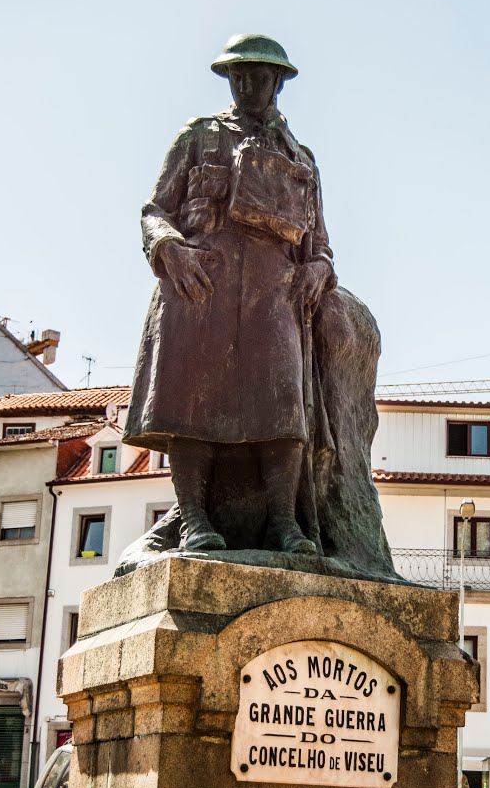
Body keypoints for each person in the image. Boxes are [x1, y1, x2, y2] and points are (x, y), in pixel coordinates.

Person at [123, 34, 337, 554]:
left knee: (284, 407)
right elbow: (155, 209)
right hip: (201, 285)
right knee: (190, 406)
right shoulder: (198, 137)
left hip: (274, 291)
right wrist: (169, 247)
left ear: (279, 83)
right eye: (237, 76)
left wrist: (319, 268)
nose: (247, 86)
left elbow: (323, 242)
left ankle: (283, 523)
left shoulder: (300, 158)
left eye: (259, 77)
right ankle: (195, 519)